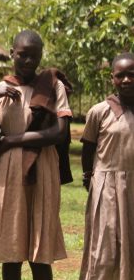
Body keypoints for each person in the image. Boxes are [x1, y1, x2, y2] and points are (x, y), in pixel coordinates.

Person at [0, 30, 71, 280]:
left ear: (41, 55)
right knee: (12, 247)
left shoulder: (53, 86)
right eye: (22, 55)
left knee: (39, 248)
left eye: (34, 56)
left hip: (42, 166)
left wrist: (11, 140)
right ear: (12, 53)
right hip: (8, 172)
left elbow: (59, 133)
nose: (28, 61)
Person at [79, 52, 134, 280]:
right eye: (120, 75)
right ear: (112, 78)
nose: (126, 80)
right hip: (107, 186)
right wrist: (89, 176)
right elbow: (88, 149)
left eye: (132, 74)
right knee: (105, 244)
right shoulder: (99, 111)